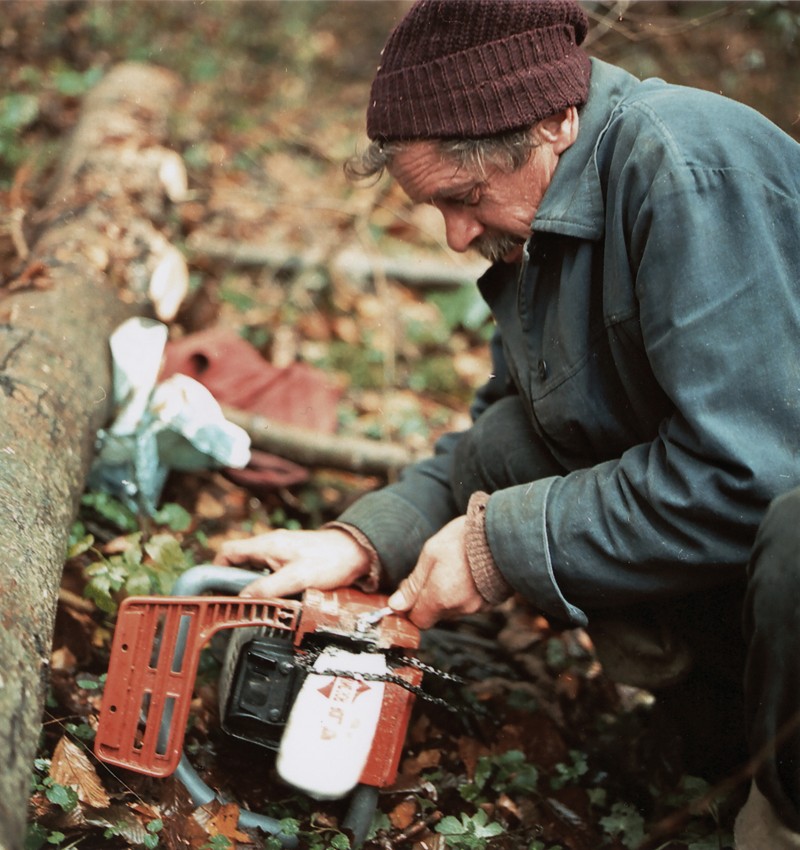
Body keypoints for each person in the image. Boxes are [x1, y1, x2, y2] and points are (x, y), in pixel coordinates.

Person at [215, 1, 800, 846]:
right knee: (511, 450)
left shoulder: (686, 171)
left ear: (553, 124)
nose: (456, 237)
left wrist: (497, 549)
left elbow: (755, 471)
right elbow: (506, 430)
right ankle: (720, 732)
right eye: (435, 210)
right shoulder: (547, 216)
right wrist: (366, 542)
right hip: (754, 522)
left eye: (465, 198)